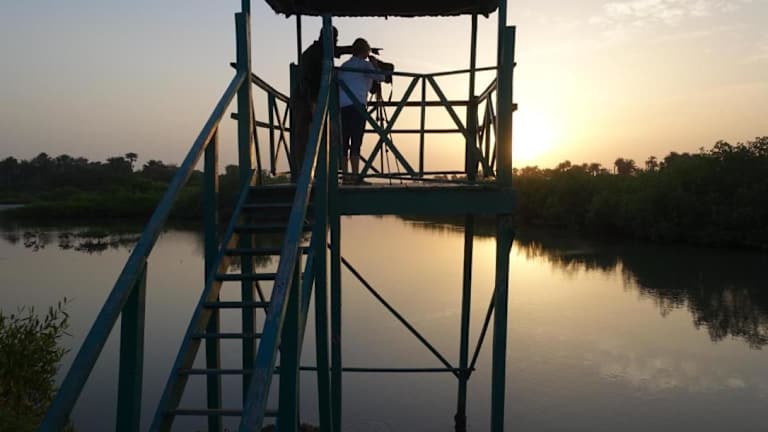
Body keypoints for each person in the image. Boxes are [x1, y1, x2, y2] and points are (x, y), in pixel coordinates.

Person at [292, 27, 353, 181]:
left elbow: (338, 50)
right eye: (335, 39)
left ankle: (315, 174)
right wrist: (312, 102)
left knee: (316, 136)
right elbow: (307, 80)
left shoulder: (320, 50)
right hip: (305, 100)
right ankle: (305, 175)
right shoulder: (313, 53)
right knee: (304, 137)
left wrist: (355, 49)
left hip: (311, 99)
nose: (336, 42)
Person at [337, 38, 385, 184]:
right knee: (356, 142)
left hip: (342, 106)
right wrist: (375, 64)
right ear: (365, 51)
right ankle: (356, 176)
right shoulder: (365, 65)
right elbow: (381, 78)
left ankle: (345, 177)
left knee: (344, 142)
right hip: (357, 106)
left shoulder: (344, 66)